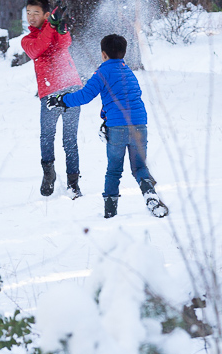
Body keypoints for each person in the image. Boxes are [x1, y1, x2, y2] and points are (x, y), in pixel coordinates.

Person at [49, 34, 168, 219]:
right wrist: (105, 116)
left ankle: (110, 211)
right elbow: (128, 97)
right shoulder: (128, 71)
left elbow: (85, 96)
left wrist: (61, 100)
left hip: (118, 128)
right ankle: (150, 195)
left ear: (103, 54)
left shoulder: (102, 72)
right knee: (139, 167)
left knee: (114, 170)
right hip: (139, 125)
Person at [20, 0, 82, 198]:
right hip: (49, 93)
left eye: (36, 13)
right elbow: (38, 48)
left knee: (70, 139)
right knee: (47, 136)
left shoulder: (54, 30)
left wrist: (61, 28)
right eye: (28, 12)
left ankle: (74, 183)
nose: (31, 17)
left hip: (71, 88)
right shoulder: (27, 40)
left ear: (46, 15)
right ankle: (49, 173)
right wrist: (51, 27)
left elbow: (64, 43)